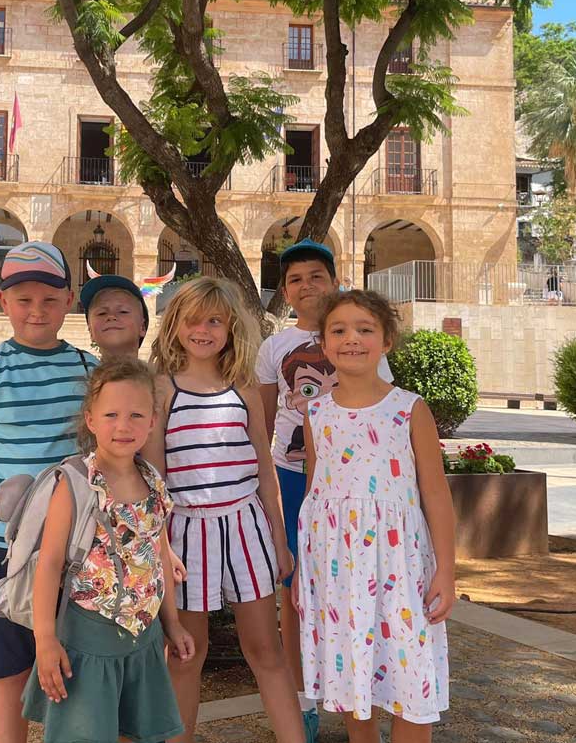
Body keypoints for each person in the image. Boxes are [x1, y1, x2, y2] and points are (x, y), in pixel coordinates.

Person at [0, 241, 97, 743]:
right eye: (24, 299)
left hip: (75, 551)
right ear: (3, 302)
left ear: (68, 301)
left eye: (49, 299)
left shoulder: (89, 371)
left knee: (70, 668)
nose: (37, 310)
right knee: (7, 673)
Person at [145, 276, 305, 743]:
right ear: (175, 325)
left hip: (245, 528)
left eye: (214, 320)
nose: (203, 330)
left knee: (266, 651)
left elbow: (264, 467)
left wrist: (279, 540)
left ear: (231, 327)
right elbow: (155, 480)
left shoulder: (243, 388)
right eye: (193, 320)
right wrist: (161, 547)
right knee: (185, 654)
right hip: (185, 533)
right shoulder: (162, 390)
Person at [295, 290, 454, 743]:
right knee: (351, 674)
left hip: (401, 567)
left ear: (386, 341)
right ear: (323, 345)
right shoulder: (316, 412)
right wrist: (303, 572)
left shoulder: (409, 409)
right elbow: (315, 491)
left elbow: (435, 493)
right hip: (337, 568)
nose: (352, 339)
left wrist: (447, 568)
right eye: (339, 330)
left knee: (411, 675)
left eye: (365, 329)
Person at [255, 239, 392, 743]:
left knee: (357, 590)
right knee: (295, 593)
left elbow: (386, 411)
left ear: (333, 281)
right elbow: (265, 421)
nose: (306, 286)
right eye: (295, 279)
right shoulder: (274, 348)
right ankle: (301, 700)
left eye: (316, 276)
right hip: (292, 479)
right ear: (285, 292)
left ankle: (366, 696)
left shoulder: (360, 334)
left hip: (355, 486)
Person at [23, 357, 195, 743]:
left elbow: (159, 556)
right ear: (91, 419)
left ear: (153, 421)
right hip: (88, 639)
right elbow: (49, 566)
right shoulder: (76, 484)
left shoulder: (153, 480)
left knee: (132, 731)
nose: (123, 425)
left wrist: (172, 623)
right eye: (112, 414)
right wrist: (45, 640)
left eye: (136, 415)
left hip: (144, 638)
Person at [81, 273, 148, 359]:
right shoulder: (77, 371)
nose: (111, 316)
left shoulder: (159, 373)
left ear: (142, 327)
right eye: (102, 313)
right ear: (90, 331)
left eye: (123, 311)